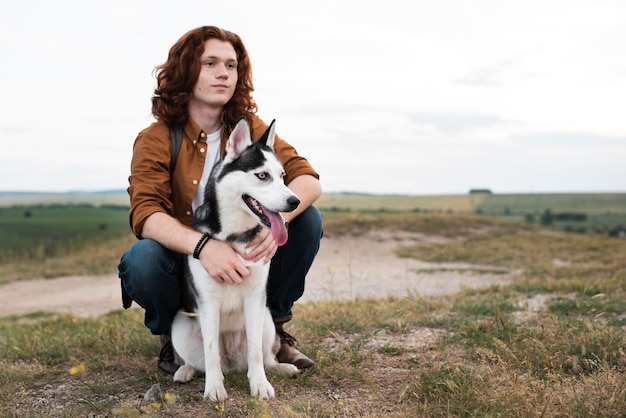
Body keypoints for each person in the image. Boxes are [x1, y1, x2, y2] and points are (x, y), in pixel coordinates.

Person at [117, 26, 323, 374]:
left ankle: (273, 331)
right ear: (186, 71)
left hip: (246, 254)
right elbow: (146, 214)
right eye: (210, 63)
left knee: (308, 219)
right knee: (142, 259)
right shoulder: (155, 138)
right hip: (187, 264)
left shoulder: (249, 129)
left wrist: (276, 226)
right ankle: (174, 338)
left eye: (231, 65)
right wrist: (203, 247)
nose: (223, 73)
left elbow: (306, 179)